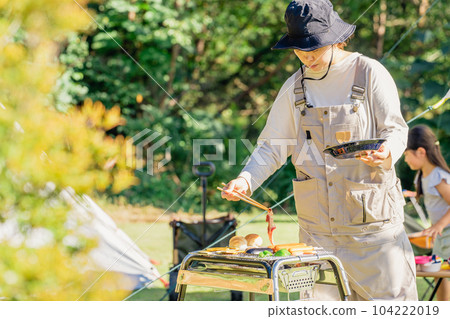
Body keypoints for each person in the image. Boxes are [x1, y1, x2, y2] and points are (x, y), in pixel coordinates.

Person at [221, 0, 418, 300]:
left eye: (314, 48)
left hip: (375, 239)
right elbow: (272, 147)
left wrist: (387, 152)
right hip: (317, 242)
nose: (306, 57)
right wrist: (246, 179)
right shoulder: (294, 87)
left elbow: (396, 130)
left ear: (336, 40)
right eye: (300, 50)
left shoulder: (369, 73)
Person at [404, 125, 450, 301]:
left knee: (443, 273)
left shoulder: (438, 176)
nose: (406, 160)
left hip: (448, 234)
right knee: (439, 275)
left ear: (421, 152)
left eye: (407, 154)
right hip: (441, 236)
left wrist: (438, 225)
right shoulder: (422, 176)